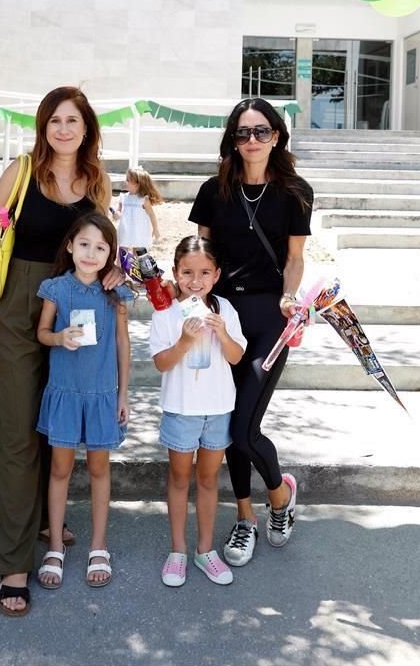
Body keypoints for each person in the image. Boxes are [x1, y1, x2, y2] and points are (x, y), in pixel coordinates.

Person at [0, 86, 121, 617]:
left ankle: (49, 523)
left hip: (79, 308)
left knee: (60, 418)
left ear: (88, 127)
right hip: (23, 301)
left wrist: (116, 269)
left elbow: (108, 242)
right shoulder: (22, 171)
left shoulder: (98, 180)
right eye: (54, 120)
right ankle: (14, 561)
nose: (63, 129)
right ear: (43, 127)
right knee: (20, 427)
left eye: (73, 120)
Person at [188, 98, 313, 568]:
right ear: (232, 141)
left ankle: (279, 497)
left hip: (270, 316)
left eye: (261, 132)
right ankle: (244, 516)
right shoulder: (213, 190)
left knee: (243, 426)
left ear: (276, 136)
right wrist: (190, 297)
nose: (252, 141)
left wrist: (289, 295)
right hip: (224, 314)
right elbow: (200, 251)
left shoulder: (295, 192)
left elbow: (295, 257)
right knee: (226, 425)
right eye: (242, 133)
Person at [35, 213, 132, 590]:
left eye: (101, 247)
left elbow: (124, 343)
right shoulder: (56, 289)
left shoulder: (116, 293)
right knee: (59, 470)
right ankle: (56, 545)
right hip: (65, 394)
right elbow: (42, 333)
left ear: (111, 253)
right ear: (71, 246)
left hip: (101, 395)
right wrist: (59, 338)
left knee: (98, 470)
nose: (92, 253)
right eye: (85, 244)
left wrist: (123, 393)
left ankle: (98, 545)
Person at [150, 236, 246, 588]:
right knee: (179, 479)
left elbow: (236, 357)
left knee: (207, 479)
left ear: (217, 274)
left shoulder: (225, 310)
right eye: (187, 272)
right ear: (175, 273)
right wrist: (184, 342)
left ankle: (205, 550)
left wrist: (222, 335)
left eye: (204, 272)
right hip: (181, 409)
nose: (196, 280)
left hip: (218, 408)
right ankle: (177, 550)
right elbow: (161, 363)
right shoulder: (167, 313)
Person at [115, 167, 162, 251]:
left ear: (137, 184)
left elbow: (151, 215)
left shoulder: (143, 199)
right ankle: (121, 265)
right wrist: (117, 214)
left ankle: (135, 264)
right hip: (125, 229)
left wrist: (155, 229)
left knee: (138, 255)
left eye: (128, 180)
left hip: (139, 230)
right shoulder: (123, 197)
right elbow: (119, 210)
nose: (126, 182)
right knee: (122, 253)